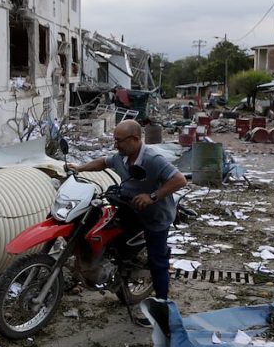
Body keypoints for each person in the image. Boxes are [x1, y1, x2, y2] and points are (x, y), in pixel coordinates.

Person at [68, 119, 187, 303]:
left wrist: (152, 196)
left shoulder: (152, 159)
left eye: (119, 140)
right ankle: (105, 270)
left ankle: (162, 304)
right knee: (98, 228)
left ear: (134, 139)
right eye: (115, 140)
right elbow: (103, 162)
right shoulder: (122, 156)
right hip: (129, 207)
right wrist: (79, 168)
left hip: (154, 216)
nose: (115, 145)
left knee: (157, 261)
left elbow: (179, 180)